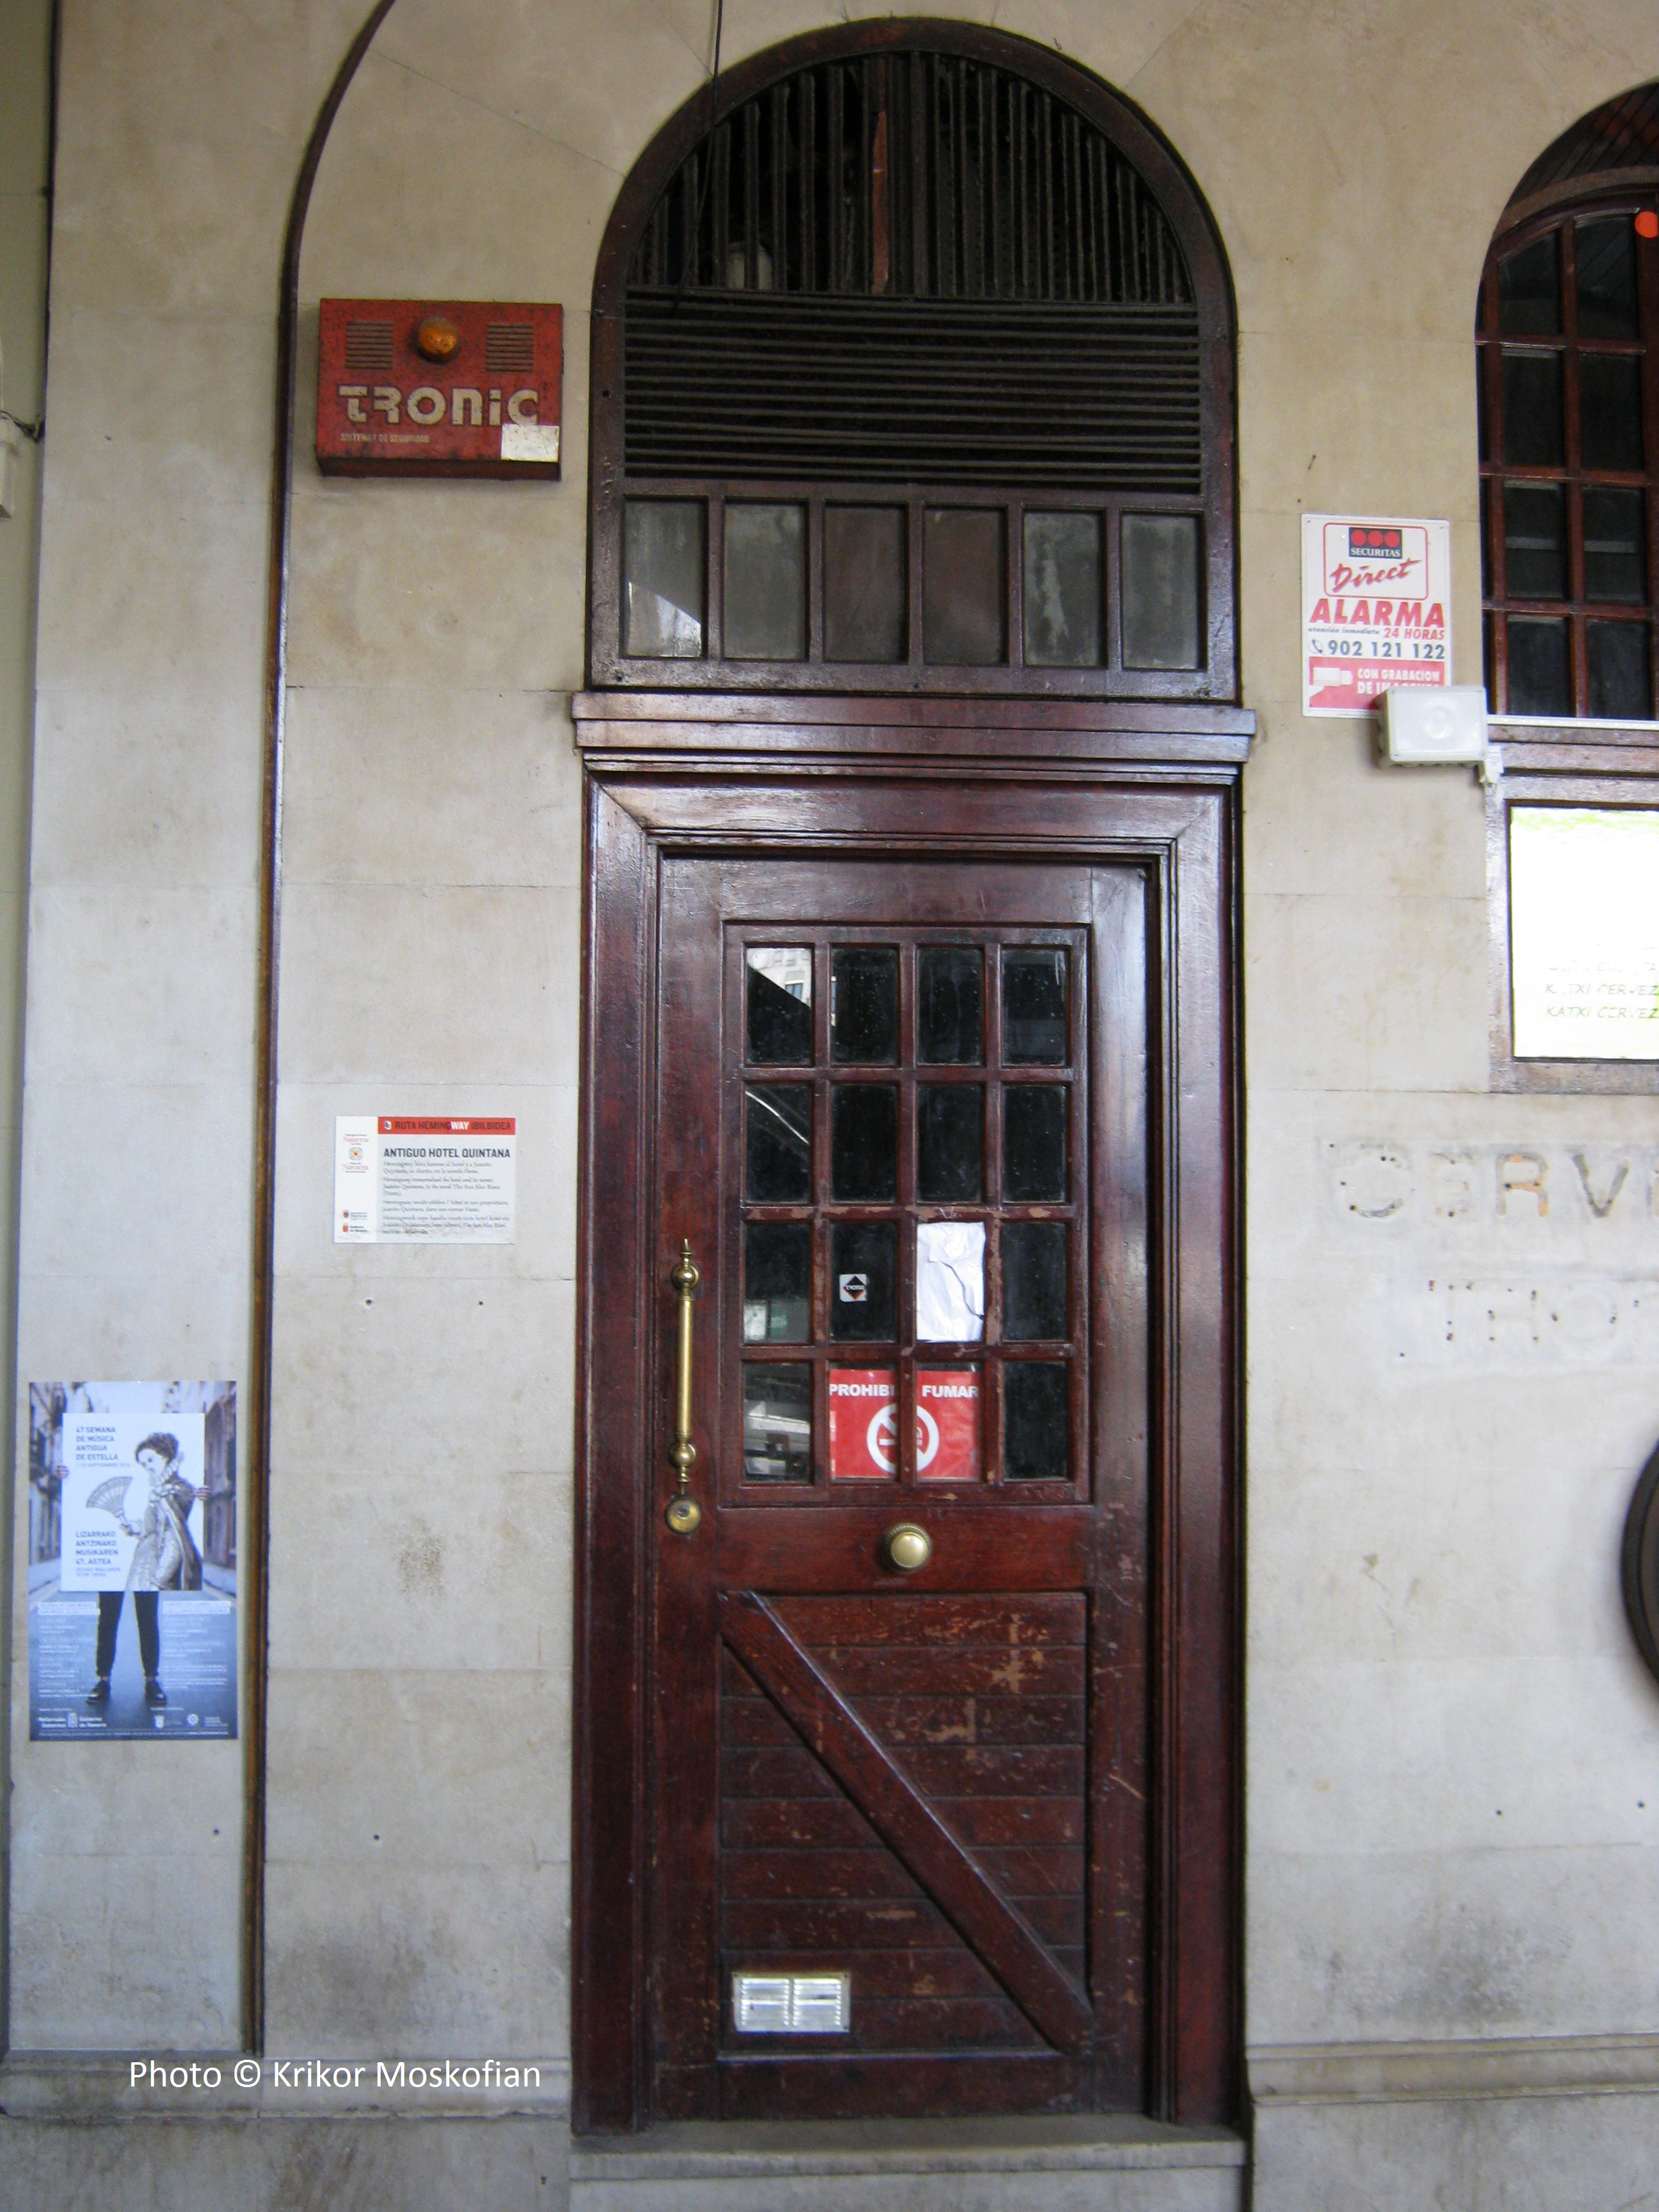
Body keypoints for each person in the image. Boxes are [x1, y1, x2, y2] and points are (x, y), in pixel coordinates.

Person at [85, 1432, 207, 1711]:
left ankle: (152, 1680)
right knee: (107, 1618)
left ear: (165, 1456)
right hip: (128, 1564)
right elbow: (153, 1529)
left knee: (147, 1619)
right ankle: (103, 1680)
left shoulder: (179, 1490)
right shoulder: (156, 1488)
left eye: (150, 1461)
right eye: (143, 1464)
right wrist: (136, 1528)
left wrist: (159, 1578)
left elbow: (174, 1538)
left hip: (151, 1568)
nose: (147, 1467)